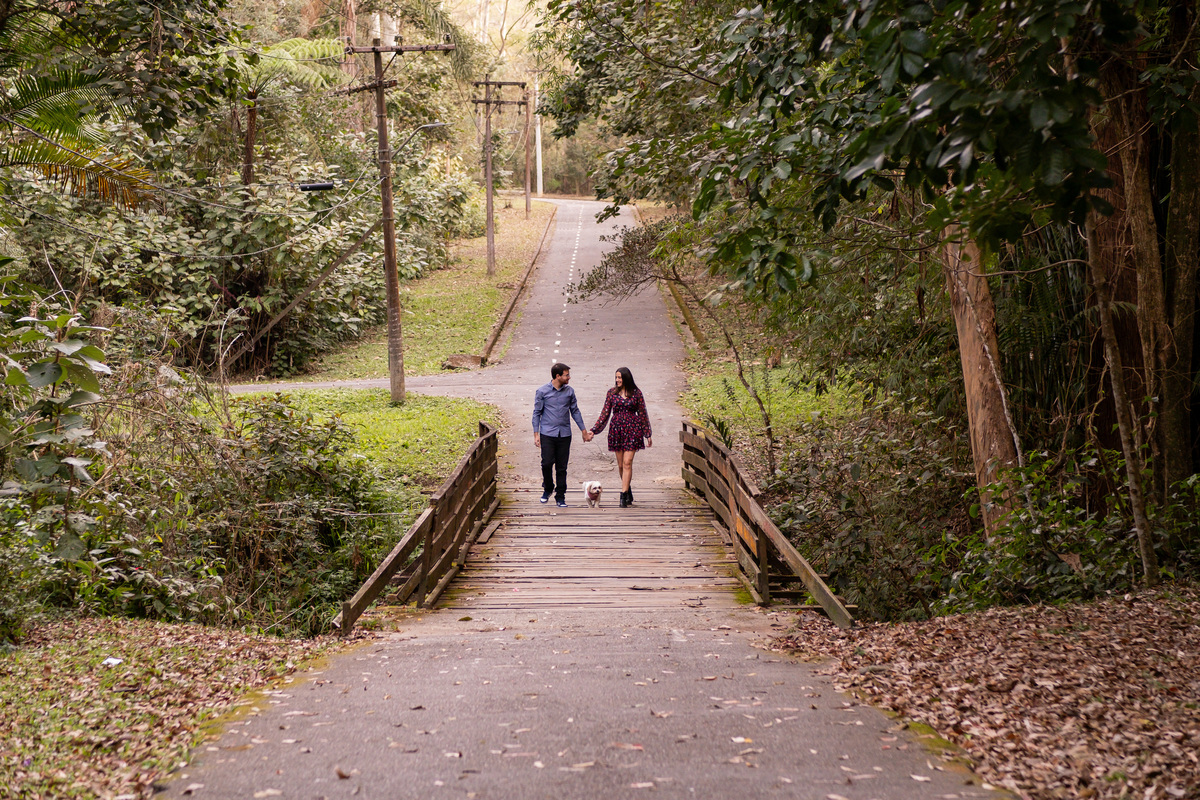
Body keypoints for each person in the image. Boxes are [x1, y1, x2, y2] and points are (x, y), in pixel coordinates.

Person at [590, 367, 652, 507]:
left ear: (626, 378)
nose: (617, 380)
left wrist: (647, 433)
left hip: (633, 430)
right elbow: (605, 413)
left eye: (620, 377)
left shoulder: (636, 393)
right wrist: (594, 430)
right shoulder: (611, 393)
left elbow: (642, 413)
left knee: (627, 463)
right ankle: (627, 488)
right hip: (617, 430)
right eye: (616, 377)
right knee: (620, 465)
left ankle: (623, 495)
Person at [532, 363, 593, 507]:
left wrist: (583, 431)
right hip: (547, 433)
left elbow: (575, 411)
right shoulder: (542, 391)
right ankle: (548, 488)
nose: (569, 377)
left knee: (561, 467)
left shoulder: (569, 392)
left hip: (564, 434)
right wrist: (536, 434)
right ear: (557, 376)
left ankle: (560, 495)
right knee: (546, 463)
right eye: (566, 375)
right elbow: (537, 413)